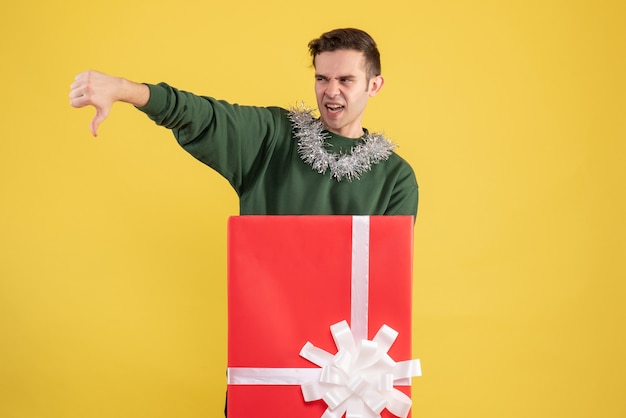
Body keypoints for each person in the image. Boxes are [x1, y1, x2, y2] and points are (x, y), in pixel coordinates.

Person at [69, 28, 418, 219]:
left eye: (345, 80)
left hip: (346, 347)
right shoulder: (275, 137)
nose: (330, 91)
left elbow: (386, 275)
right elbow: (204, 115)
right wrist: (125, 89)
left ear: (374, 85)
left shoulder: (395, 179)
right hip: (263, 330)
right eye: (322, 78)